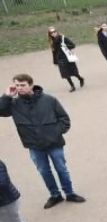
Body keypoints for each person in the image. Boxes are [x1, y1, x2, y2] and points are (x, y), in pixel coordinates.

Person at [1, 74, 86, 209]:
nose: (19, 88)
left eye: (22, 85)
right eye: (17, 85)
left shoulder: (49, 100)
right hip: (34, 146)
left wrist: (55, 133)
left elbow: (64, 119)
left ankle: (70, 193)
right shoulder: (14, 104)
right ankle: (55, 195)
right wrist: (6, 96)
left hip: (54, 143)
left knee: (61, 169)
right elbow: (1, 111)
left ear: (31, 85)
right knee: (44, 171)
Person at [47, 27, 84, 92]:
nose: (53, 33)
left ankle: (80, 78)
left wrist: (65, 46)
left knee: (74, 72)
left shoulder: (63, 38)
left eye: (54, 31)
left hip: (68, 57)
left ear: (57, 31)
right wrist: (55, 61)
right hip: (60, 59)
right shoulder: (52, 42)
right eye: (51, 33)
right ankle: (72, 86)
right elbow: (54, 52)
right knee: (65, 73)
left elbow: (73, 45)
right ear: (50, 34)